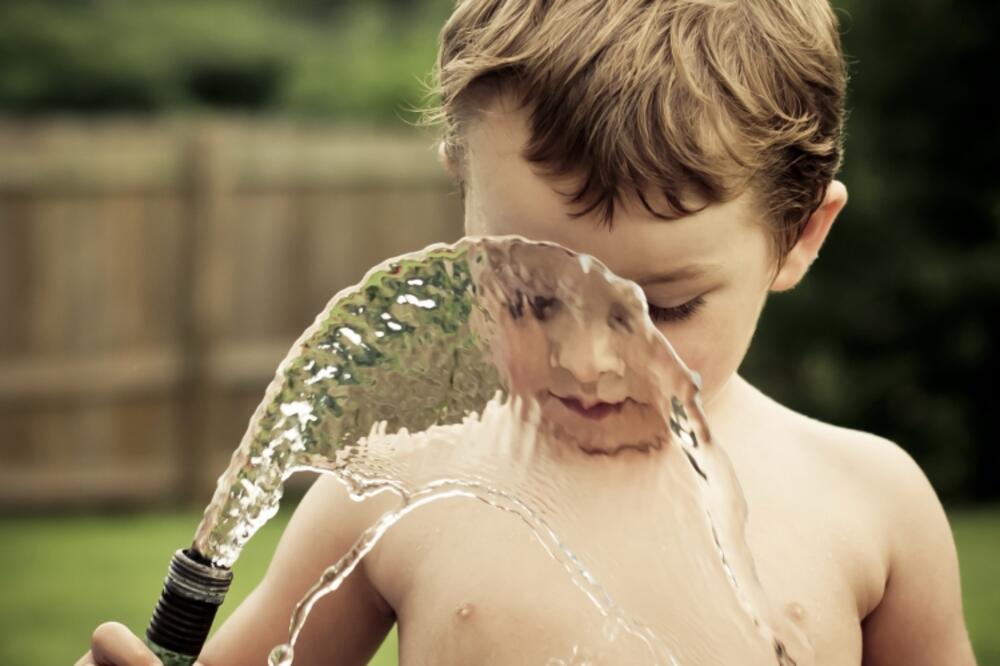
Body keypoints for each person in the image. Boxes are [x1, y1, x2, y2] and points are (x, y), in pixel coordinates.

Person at [77, 0, 977, 664]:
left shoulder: (870, 505)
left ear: (798, 237)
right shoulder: (391, 488)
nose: (589, 358)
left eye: (660, 309)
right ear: (463, 198)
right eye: (534, 292)